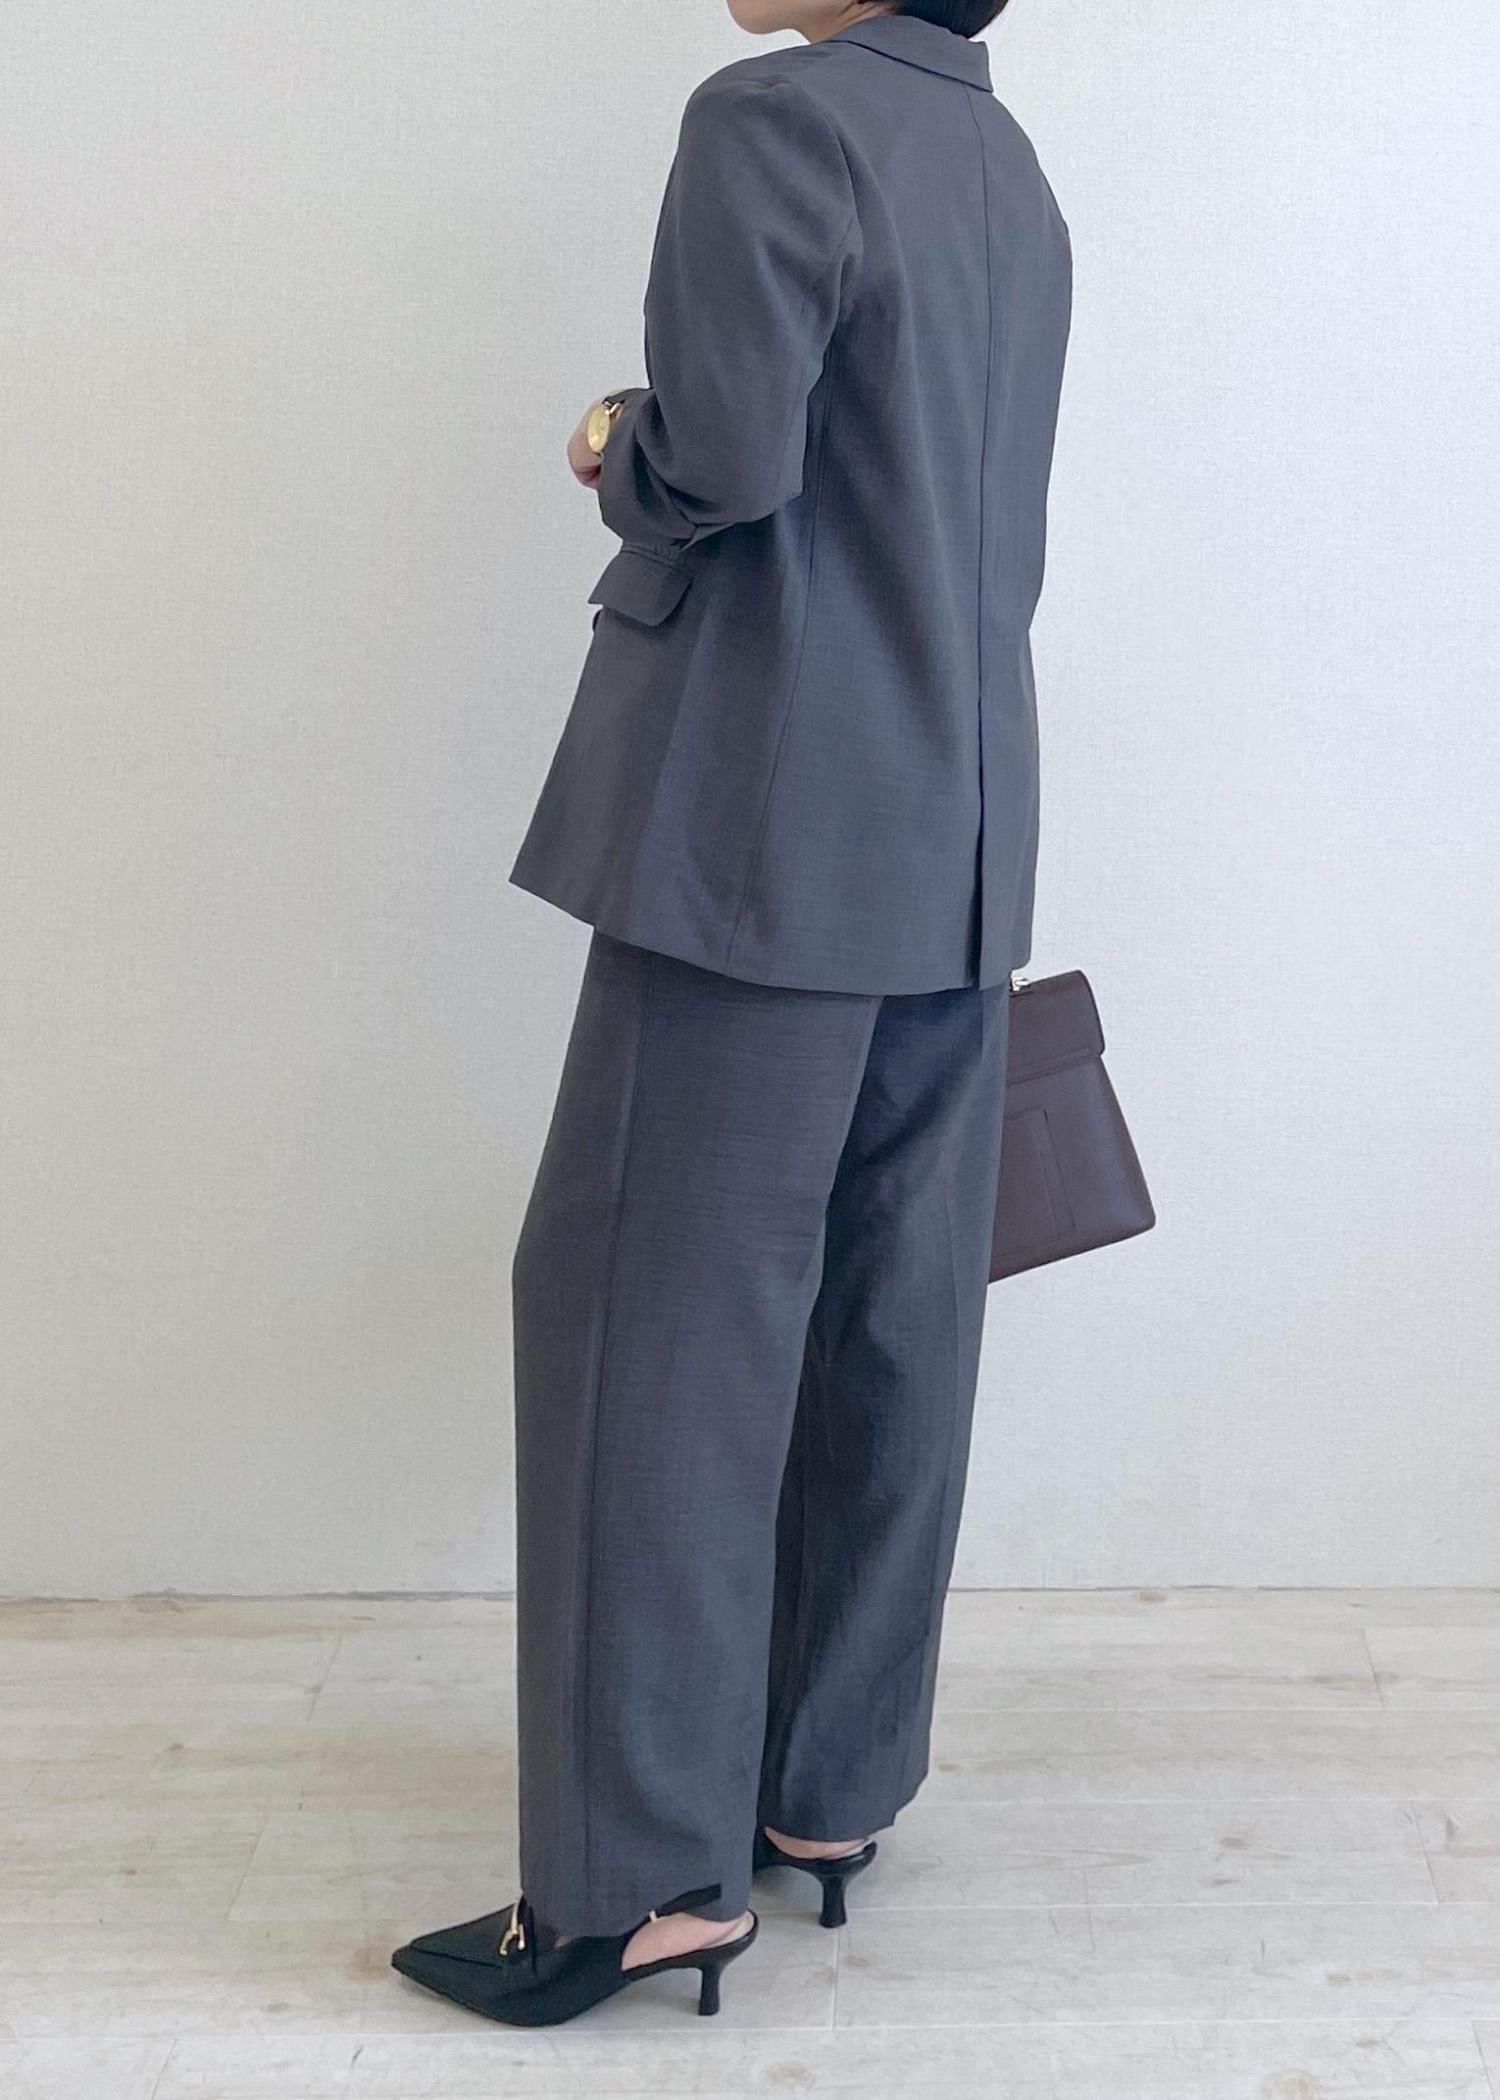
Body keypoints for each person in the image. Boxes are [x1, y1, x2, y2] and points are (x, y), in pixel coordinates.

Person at [393, 0, 1071, 2028]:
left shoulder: (774, 118)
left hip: (764, 834)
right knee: (887, 1322)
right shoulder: (1004, 162)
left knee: (640, 1331)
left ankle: (636, 1883)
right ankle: (824, 1789)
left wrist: (618, 437)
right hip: (956, 835)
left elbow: (727, 458)